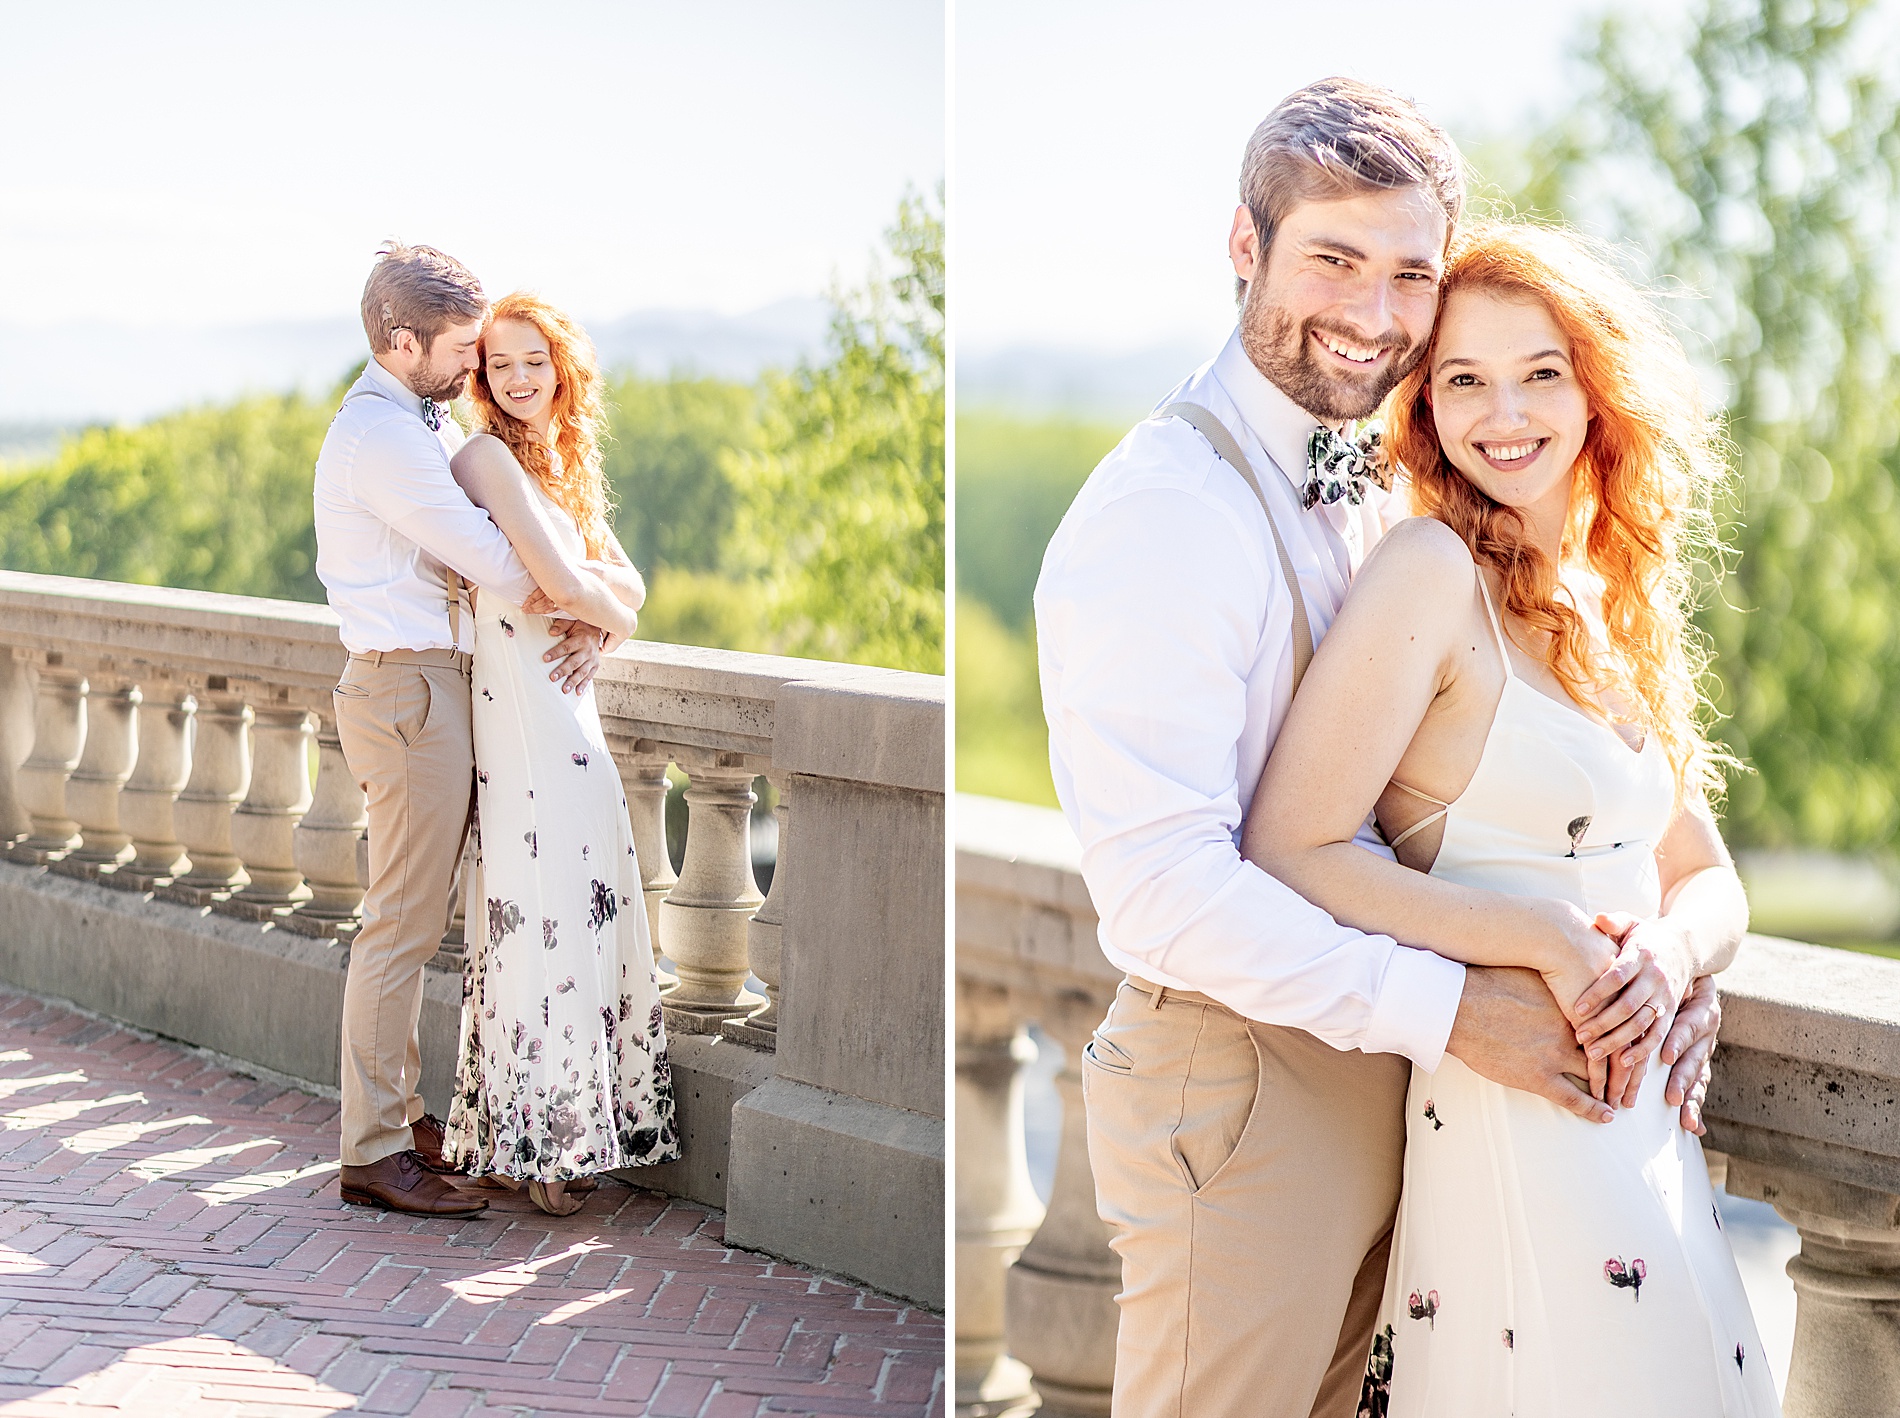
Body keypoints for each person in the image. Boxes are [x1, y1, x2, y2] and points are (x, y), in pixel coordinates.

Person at [1033, 80, 1725, 1417]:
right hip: (1237, 1086)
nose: (1372, 310)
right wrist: (1468, 1005)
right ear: (1245, 246)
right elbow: (1166, 889)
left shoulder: (1381, 496)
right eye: (1331, 259)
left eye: (1409, 272)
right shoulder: (1166, 512)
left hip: (1398, 1092)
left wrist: (1670, 960)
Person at [1241, 220, 1775, 1413]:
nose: (1505, 412)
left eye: (1540, 372)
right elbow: (1288, 845)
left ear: (1594, 392)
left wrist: (1676, 963)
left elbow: (1708, 874)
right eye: (1464, 379)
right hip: (1513, 1110)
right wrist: (1543, 935)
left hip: (1643, 1131)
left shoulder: (1603, 598)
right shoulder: (1428, 574)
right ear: (1423, 406)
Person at [315, 244, 604, 1218]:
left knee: (411, 918)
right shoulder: (384, 438)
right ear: (403, 342)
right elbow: (493, 558)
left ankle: (396, 1117)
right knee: (399, 924)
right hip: (411, 692)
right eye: (461, 347)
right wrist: (593, 598)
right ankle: (372, 1148)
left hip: (429, 688)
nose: (477, 365)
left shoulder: (415, 419)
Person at [440, 292, 679, 1216]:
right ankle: (540, 1146)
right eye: (499, 365)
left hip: (569, 714)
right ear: (481, 378)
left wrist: (602, 622)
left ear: (560, 365)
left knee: (574, 914)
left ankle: (527, 1136)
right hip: (523, 722)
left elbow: (628, 583)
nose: (517, 378)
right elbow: (568, 580)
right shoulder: (484, 457)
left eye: (533, 360)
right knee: (533, 917)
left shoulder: (568, 461)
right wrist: (603, 611)